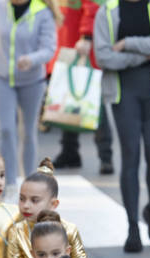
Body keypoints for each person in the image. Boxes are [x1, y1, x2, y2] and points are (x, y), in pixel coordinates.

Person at [93, 0, 150, 253]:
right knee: (131, 157)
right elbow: (104, 56)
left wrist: (128, 44)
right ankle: (132, 227)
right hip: (123, 93)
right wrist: (143, 55)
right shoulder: (106, 11)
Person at [0, 0, 57, 190]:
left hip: (32, 81)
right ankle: (10, 182)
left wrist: (32, 59)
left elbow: (49, 48)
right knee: (6, 130)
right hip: (1, 78)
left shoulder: (42, 12)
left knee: (28, 131)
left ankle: (30, 181)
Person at [51, 0, 114, 175]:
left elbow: (93, 7)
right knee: (69, 101)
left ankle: (105, 155)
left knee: (93, 103)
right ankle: (70, 152)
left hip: (80, 45)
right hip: (66, 42)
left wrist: (86, 36)